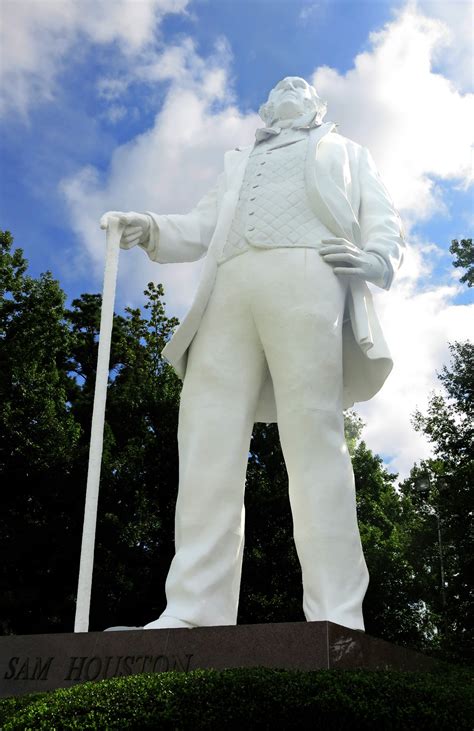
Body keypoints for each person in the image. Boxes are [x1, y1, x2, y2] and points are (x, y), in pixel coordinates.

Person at [101, 76, 405, 632]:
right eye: (281, 85)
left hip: (311, 274)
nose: (291, 84)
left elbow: (383, 218)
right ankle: (194, 609)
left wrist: (379, 258)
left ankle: (337, 615)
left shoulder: (347, 151)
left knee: (314, 441)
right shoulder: (237, 162)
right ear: (267, 108)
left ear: (318, 106)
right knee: (205, 437)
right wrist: (149, 228)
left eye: (301, 84)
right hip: (229, 287)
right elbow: (200, 226)